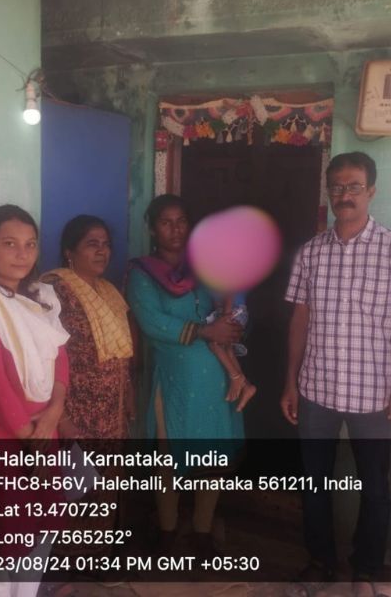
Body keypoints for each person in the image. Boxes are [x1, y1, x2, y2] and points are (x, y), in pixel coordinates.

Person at [281, 152, 391, 597]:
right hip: (316, 389)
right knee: (314, 482)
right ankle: (320, 560)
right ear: (329, 192)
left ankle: (366, 568)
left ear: (372, 191)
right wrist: (290, 382)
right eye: (338, 187)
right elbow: (300, 318)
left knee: (375, 487)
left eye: (354, 187)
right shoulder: (311, 252)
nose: (345, 195)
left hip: (375, 394)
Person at [126, 194, 247, 557]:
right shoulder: (142, 273)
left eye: (181, 221)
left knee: (212, 457)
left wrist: (233, 325)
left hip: (215, 376)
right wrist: (206, 331)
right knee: (168, 455)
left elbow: (231, 305)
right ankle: (167, 530)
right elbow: (151, 321)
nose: (175, 229)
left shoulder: (203, 267)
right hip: (175, 377)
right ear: (152, 229)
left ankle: (202, 531)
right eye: (166, 222)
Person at [0, 205, 70, 597]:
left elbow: (60, 356)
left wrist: (55, 410)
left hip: (43, 428)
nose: (22, 254)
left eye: (30, 244)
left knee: (40, 531)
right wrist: (31, 438)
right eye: (9, 244)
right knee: (7, 538)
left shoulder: (42, 298)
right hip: (8, 437)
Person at [39, 215, 136, 567]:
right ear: (70, 251)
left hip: (111, 412)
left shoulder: (108, 291)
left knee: (105, 485)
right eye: (92, 244)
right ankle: (68, 563)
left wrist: (128, 395)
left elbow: (121, 354)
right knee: (76, 486)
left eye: (106, 244)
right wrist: (61, 416)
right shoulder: (53, 290)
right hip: (76, 409)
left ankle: (98, 557)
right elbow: (45, 354)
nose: (102, 251)